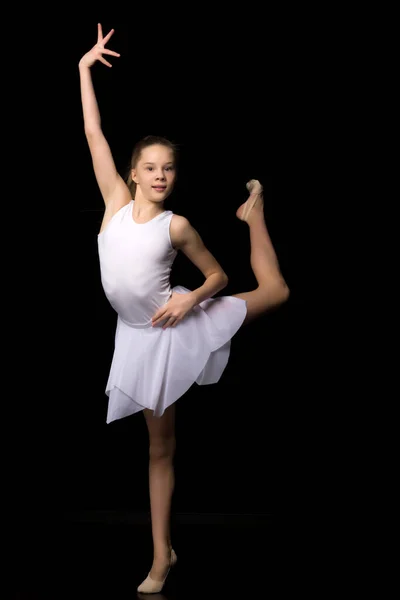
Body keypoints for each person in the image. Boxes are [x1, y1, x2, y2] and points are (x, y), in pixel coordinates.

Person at [79, 23, 289, 595]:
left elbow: (218, 275)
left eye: (168, 168)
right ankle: (162, 554)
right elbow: (94, 132)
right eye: (150, 167)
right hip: (136, 336)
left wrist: (190, 301)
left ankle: (255, 215)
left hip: (174, 324)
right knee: (159, 447)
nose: (160, 176)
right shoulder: (116, 206)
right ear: (131, 174)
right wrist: (83, 69)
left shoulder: (178, 226)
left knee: (276, 294)